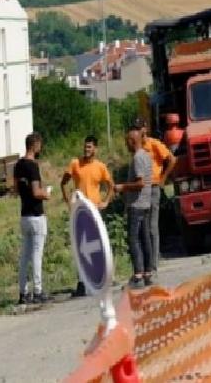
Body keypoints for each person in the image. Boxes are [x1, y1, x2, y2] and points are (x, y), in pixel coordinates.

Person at [60, 135, 114, 297]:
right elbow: (63, 183)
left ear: (95, 149)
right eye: (85, 147)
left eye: (90, 147)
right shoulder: (75, 164)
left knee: (99, 244)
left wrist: (106, 202)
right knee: (81, 246)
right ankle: (82, 282)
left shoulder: (100, 166)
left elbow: (111, 185)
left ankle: (102, 277)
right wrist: (69, 203)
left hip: (95, 211)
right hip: (81, 212)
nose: (86, 149)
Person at [133, 117, 175, 275]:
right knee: (142, 227)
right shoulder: (137, 148)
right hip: (142, 189)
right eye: (136, 128)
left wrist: (163, 179)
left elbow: (172, 159)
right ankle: (147, 262)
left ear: (145, 128)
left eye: (140, 127)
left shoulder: (154, 144)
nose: (139, 131)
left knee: (151, 227)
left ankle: (154, 263)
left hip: (154, 186)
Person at [13, 132, 51, 305]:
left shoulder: (18, 165)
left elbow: (15, 189)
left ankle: (23, 292)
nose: (40, 148)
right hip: (36, 215)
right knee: (37, 255)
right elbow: (36, 192)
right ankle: (38, 290)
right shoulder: (32, 166)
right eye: (39, 145)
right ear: (34, 145)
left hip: (24, 215)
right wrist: (47, 193)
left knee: (25, 256)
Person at [115, 127, 154, 289]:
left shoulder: (137, 158)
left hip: (137, 204)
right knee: (145, 238)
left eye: (127, 142)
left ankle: (138, 275)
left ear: (132, 141)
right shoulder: (146, 155)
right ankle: (148, 272)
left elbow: (140, 183)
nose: (126, 145)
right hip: (146, 203)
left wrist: (122, 187)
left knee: (133, 239)